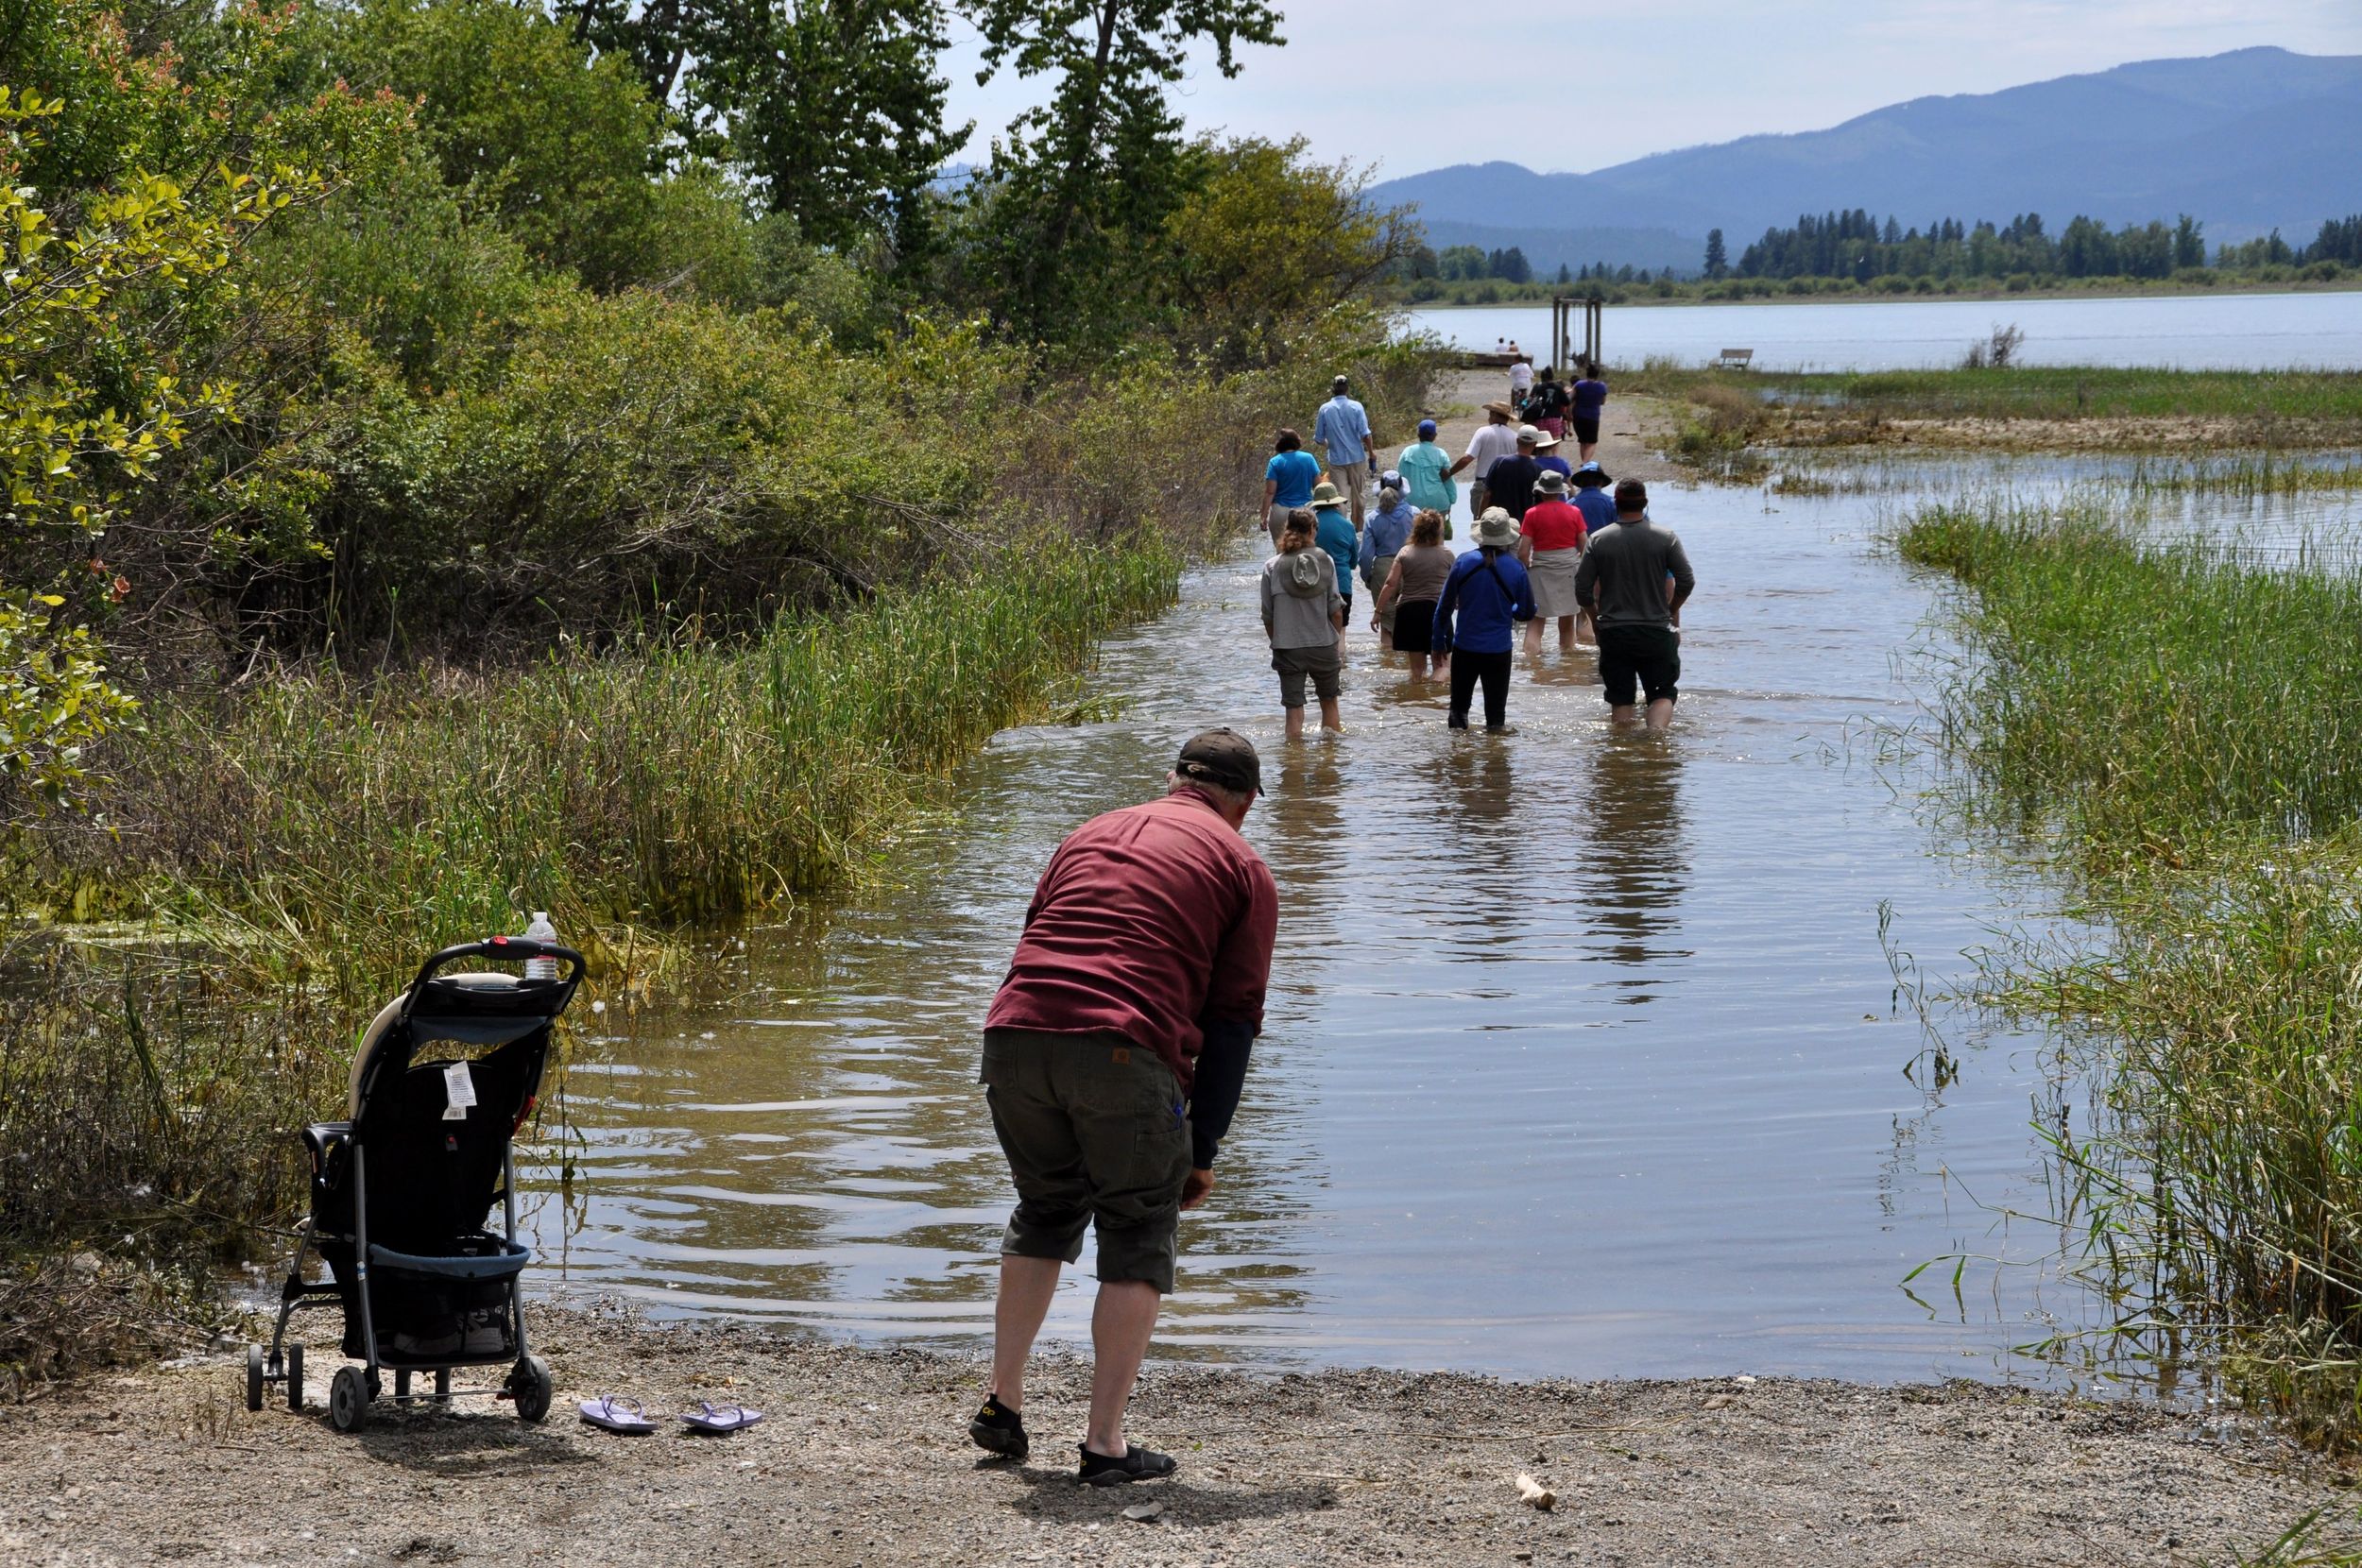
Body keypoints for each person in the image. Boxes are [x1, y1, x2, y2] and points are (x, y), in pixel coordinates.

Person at [969, 729, 1277, 1487]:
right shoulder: (1241, 864)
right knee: (1140, 1229)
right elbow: (1234, 1020)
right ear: (1242, 803)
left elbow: (1040, 936)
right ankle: (1104, 1444)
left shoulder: (1087, 833)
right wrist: (1202, 1149)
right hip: (1123, 1047)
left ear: (1172, 779)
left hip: (1013, 1035)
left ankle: (1001, 1406)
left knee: (1044, 1209)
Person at [1575, 479, 1694, 732]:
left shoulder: (1598, 539)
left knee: (1621, 699)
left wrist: (1595, 619)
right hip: (1656, 630)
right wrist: (1671, 609)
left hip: (1614, 632)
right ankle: (1656, 740)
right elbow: (1686, 580)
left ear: (1616, 504)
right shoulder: (1666, 538)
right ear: (1646, 503)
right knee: (1662, 694)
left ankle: (1623, 757)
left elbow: (1582, 589)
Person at [1433, 507, 1536, 730]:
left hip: (1465, 648)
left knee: (1458, 711)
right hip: (1498, 650)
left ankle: (1459, 759)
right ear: (1507, 538)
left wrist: (1438, 642)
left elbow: (1444, 608)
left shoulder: (1463, 562)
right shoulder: (1517, 569)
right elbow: (1527, 612)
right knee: (1496, 717)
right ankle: (1495, 762)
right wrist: (1512, 609)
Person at [1261, 510, 1346, 738]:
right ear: (1312, 531)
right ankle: (1330, 763)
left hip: (1287, 647)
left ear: (1287, 528)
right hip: (1323, 644)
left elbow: (1268, 616)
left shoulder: (1271, 566)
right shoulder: (1326, 561)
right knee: (1329, 703)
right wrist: (1333, 639)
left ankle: (1294, 767)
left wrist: (1278, 642)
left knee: (1293, 711)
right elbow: (1336, 611)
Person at [1377, 509, 1454, 678]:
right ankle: (1433, 697)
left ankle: (1416, 701)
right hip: (1437, 611)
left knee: (1417, 671)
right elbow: (1456, 586)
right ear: (1438, 532)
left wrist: (1378, 612)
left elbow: (1390, 584)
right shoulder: (1447, 554)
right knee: (1442, 666)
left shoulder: (1405, 552)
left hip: (1409, 612)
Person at [1517, 469, 1588, 654]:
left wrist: (1527, 569)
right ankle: (1568, 669)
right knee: (1567, 624)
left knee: (1536, 623)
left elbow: (1523, 551)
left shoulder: (1532, 513)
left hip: (1541, 569)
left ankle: (1532, 666)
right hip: (1569, 569)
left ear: (1540, 491)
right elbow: (1585, 546)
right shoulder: (1574, 512)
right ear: (1561, 491)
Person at [1360, 476, 1416, 650]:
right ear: (1402, 490)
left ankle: (1388, 664)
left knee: (1386, 623)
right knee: (1410, 621)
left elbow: (1366, 556)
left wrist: (1367, 577)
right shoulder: (1415, 513)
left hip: (1383, 570)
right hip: (1410, 566)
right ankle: (1408, 667)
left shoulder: (1372, 518)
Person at [1313, 374, 1377, 527]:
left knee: (1340, 498)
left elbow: (1319, 438)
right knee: (1358, 497)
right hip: (1357, 458)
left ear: (1333, 389)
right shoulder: (1356, 406)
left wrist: (1331, 444)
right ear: (1347, 389)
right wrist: (1372, 453)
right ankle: (1358, 529)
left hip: (1336, 460)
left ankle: (1341, 527)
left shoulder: (1325, 409)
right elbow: (1365, 434)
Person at [1568, 462, 1617, 644]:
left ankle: (1584, 641)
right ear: (1600, 482)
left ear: (1581, 483)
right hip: (1608, 559)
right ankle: (1602, 642)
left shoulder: (1572, 504)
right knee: (1605, 601)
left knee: (1583, 605)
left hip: (1579, 558)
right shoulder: (1611, 503)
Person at [1448, 401, 1521, 516]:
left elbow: (1467, 459)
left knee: (1479, 524)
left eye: (1490, 414)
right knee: (1501, 523)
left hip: (1483, 483)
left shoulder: (1483, 432)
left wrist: (1449, 473)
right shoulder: (1515, 436)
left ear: (1494, 415)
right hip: (1505, 486)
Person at [1395, 418, 1458, 534]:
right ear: (1434, 435)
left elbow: (1401, 478)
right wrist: (1452, 499)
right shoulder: (1441, 454)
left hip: (1413, 503)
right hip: (1438, 503)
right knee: (1437, 540)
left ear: (1418, 434)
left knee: (1415, 538)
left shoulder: (1407, 452)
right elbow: (1448, 480)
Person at [1309, 482, 1360, 622]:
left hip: (1315, 583)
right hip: (1342, 583)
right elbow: (1354, 561)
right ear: (1336, 503)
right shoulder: (1348, 525)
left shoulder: (1311, 524)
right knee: (1340, 632)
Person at [1261, 429, 1320, 546]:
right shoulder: (1308, 458)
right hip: (1305, 510)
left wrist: (1263, 515)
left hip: (1280, 511)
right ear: (1296, 442)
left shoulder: (1275, 462)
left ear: (1279, 444)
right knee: (1306, 549)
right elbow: (1318, 486)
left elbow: (1270, 492)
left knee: (1281, 551)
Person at [1481, 426, 1545, 522]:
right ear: (1535, 444)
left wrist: (1480, 518)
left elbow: (1487, 494)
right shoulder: (1537, 469)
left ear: (1517, 441)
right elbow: (1539, 503)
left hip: (1497, 521)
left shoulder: (1500, 462)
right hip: (1522, 524)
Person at [1570, 362, 1609, 463]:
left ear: (1587, 373)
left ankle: (1584, 462)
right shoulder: (1602, 386)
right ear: (1597, 374)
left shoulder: (1579, 384)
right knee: (1591, 442)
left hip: (1578, 415)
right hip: (1593, 416)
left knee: (1582, 441)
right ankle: (1585, 463)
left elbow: (1570, 398)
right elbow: (1603, 401)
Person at [1524, 366, 1569, 440]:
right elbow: (1567, 402)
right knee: (1555, 444)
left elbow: (1530, 399)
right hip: (1555, 419)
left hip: (1540, 419)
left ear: (1542, 377)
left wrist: (1523, 405)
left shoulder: (1538, 387)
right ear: (1552, 376)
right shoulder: (1559, 387)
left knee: (1541, 443)